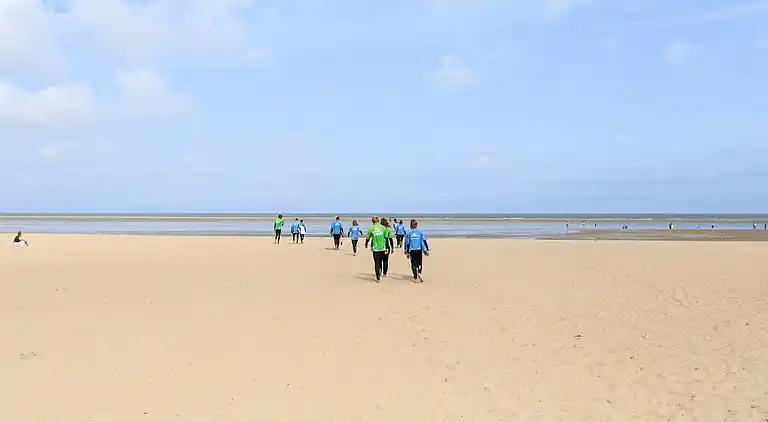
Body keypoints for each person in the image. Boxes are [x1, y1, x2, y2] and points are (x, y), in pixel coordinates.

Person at [364, 216, 392, 282]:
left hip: (376, 249)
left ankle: (378, 277)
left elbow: (368, 238)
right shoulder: (383, 228)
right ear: (378, 221)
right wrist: (387, 247)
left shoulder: (371, 228)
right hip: (383, 248)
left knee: (377, 263)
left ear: (372, 221)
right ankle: (381, 271)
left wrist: (366, 244)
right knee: (382, 261)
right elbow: (386, 238)